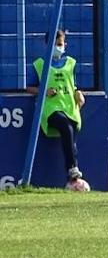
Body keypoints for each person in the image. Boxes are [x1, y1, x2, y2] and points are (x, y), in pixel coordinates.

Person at [27, 29, 88, 188]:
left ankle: (73, 181)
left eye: (60, 44)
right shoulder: (39, 64)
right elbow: (30, 88)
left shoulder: (71, 63)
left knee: (70, 137)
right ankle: (73, 169)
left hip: (69, 107)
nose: (57, 47)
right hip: (50, 108)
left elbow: (73, 85)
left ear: (65, 45)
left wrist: (78, 93)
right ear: (47, 45)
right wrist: (43, 91)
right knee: (64, 126)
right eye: (54, 44)